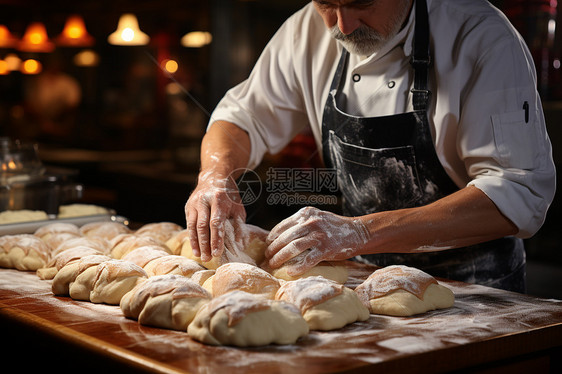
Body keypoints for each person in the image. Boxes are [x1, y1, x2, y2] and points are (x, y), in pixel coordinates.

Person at [185, 0, 556, 292]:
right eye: (327, 4)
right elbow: (242, 117)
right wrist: (215, 176)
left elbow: (517, 192)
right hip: (364, 285)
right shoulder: (305, 31)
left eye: (362, 3)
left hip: (475, 293)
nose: (343, 26)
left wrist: (360, 233)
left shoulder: (481, 37)